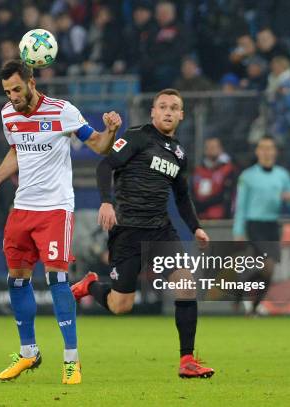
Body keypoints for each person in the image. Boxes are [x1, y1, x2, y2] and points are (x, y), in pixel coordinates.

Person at [0, 60, 121, 385]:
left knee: (57, 278)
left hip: (55, 209)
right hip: (22, 208)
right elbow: (16, 151)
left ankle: (71, 360)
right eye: (7, 91)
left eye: (17, 88)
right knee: (16, 279)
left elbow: (99, 145)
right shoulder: (8, 115)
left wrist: (111, 130)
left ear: (31, 81)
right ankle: (28, 352)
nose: (13, 96)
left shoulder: (63, 111)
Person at [71, 88, 215, 379]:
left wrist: (196, 227)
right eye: (163, 106)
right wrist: (106, 202)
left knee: (186, 283)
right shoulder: (137, 136)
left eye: (174, 107)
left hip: (161, 231)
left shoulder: (179, 154)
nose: (168, 111)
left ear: (181, 115)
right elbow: (104, 165)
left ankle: (187, 359)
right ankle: (90, 285)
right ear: (153, 112)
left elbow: (182, 197)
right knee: (120, 305)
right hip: (127, 231)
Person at [232, 135, 290, 314]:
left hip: (272, 225)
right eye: (263, 148)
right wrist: (238, 231)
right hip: (254, 225)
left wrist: (289, 198)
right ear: (257, 151)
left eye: (270, 148)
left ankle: (249, 302)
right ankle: (245, 296)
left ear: (275, 152)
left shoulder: (282, 175)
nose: (266, 152)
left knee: (268, 271)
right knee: (267, 265)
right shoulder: (248, 176)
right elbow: (241, 206)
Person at [192, 137, 237, 219]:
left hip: (219, 217)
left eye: (213, 147)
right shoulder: (198, 170)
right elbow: (191, 191)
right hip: (198, 217)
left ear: (220, 149)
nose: (210, 150)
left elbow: (227, 195)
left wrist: (203, 204)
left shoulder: (228, 169)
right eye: (208, 147)